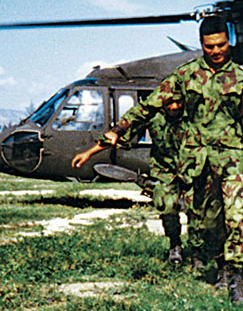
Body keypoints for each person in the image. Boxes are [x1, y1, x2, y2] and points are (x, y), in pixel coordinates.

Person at [160, 16, 243, 304]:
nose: (216, 50)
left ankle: (238, 279)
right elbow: (151, 104)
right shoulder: (185, 76)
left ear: (228, 42)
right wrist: (114, 134)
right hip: (200, 161)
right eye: (210, 46)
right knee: (209, 223)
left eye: (221, 44)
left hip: (233, 158)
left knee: (236, 217)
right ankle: (221, 266)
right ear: (201, 45)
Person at [71, 78, 205, 268]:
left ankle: (197, 252)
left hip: (193, 169)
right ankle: (175, 245)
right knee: (166, 206)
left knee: (196, 210)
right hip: (164, 170)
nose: (174, 107)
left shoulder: (195, 115)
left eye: (178, 102)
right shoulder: (153, 115)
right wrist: (88, 153)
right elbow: (115, 136)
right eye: (169, 102)